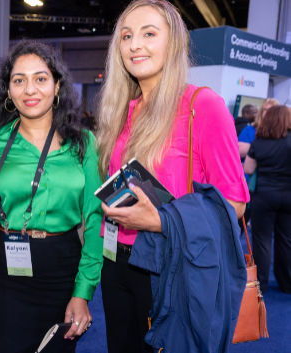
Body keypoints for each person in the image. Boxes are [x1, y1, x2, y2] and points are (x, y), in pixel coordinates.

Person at [95, 1, 249, 352]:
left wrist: (161, 221)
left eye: (149, 34)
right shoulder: (122, 110)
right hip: (116, 261)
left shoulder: (202, 106)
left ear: (174, 43)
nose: (135, 45)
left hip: (171, 261)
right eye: (126, 36)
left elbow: (235, 204)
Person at [0, 40, 103, 353]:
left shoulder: (83, 142)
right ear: (8, 91)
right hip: (3, 271)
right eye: (19, 80)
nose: (30, 90)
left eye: (41, 78)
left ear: (57, 85)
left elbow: (94, 218)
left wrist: (83, 292)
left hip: (62, 269)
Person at [244, 105, 291, 294]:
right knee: (286, 240)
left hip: (264, 196)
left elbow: (248, 169)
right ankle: (287, 282)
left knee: (262, 241)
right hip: (288, 196)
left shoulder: (259, 141)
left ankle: (260, 284)